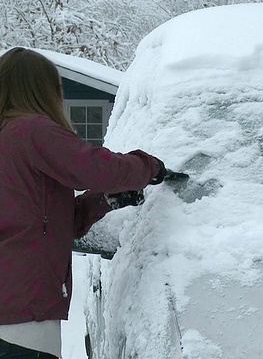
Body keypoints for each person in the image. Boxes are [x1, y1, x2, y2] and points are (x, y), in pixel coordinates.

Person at [0, 47, 166, 358]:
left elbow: (46, 222)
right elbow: (98, 168)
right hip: (24, 317)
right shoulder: (31, 131)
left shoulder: (10, 140)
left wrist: (103, 200)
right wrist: (150, 167)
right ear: (41, 89)